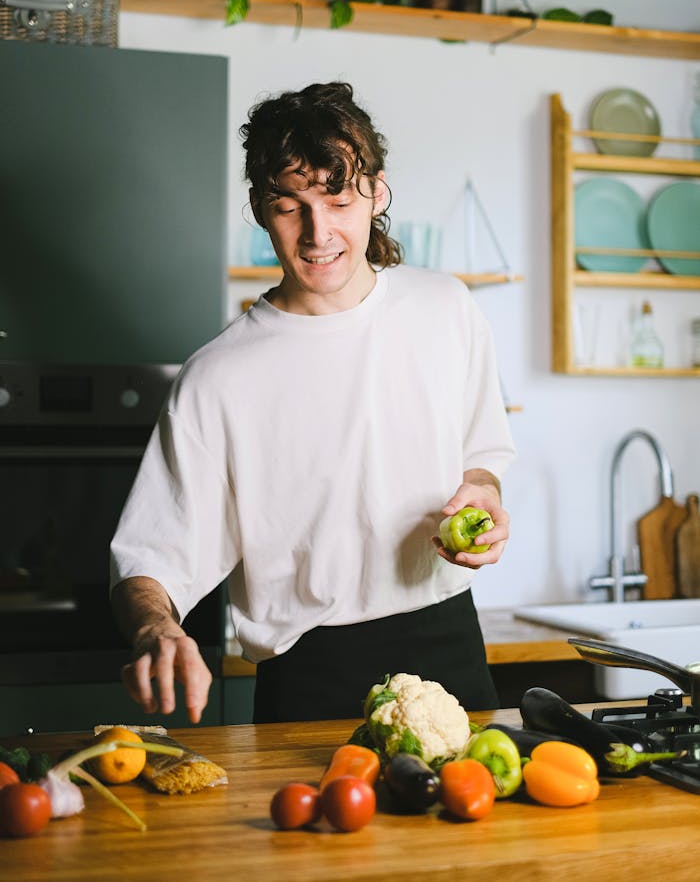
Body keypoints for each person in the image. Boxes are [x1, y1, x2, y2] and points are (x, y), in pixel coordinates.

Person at [110, 81, 515, 725]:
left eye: (337, 196)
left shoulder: (446, 309)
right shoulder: (217, 378)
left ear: (376, 193)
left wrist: (484, 492)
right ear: (260, 209)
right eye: (289, 205)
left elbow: (481, 458)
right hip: (310, 675)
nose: (318, 231)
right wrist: (155, 629)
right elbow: (150, 560)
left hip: (452, 650)